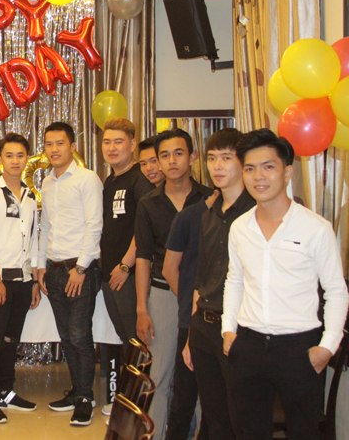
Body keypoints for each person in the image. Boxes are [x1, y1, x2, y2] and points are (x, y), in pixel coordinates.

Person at [222, 129, 348, 439]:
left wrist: (327, 346)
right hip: (248, 343)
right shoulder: (240, 227)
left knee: (304, 431)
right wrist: (228, 330)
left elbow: (336, 290)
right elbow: (234, 280)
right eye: (250, 169)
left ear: (287, 172)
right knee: (247, 431)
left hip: (299, 347)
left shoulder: (315, 228)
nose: (258, 177)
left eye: (268, 167)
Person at [175, 129, 255, 439]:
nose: (217, 166)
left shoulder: (255, 213)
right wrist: (190, 336)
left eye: (226, 158)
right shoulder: (208, 213)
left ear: (242, 162)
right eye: (211, 159)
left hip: (240, 328)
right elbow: (201, 278)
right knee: (214, 417)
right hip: (204, 326)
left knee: (242, 419)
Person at [134, 128, 211, 438]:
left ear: (192, 157)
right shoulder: (148, 203)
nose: (171, 161)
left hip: (204, 298)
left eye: (178, 153)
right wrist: (142, 308)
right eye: (164, 156)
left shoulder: (210, 199)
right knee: (161, 373)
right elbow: (143, 256)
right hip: (163, 296)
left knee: (203, 373)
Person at [37, 121, 103, 427]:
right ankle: (77, 391)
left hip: (80, 270)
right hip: (54, 270)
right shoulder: (47, 182)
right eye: (49, 144)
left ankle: (86, 398)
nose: (54, 149)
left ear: (72, 146)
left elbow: (94, 224)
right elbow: (45, 226)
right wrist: (41, 266)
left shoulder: (87, 179)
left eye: (60, 143)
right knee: (66, 336)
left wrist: (82, 267)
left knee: (79, 334)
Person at [0, 133, 40, 424]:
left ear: (27, 159)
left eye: (20, 155)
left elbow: (34, 238)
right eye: (9, 155)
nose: (15, 161)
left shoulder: (30, 195)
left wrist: (34, 280)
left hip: (23, 280)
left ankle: (6, 390)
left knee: (11, 339)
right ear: (0, 159)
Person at [99, 118, 154, 416]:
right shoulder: (110, 181)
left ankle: (138, 405)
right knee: (125, 339)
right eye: (107, 142)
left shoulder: (139, 180)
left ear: (132, 144)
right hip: (110, 274)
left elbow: (143, 229)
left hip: (128, 275)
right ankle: (129, 401)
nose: (112, 147)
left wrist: (125, 265)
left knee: (137, 341)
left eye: (118, 141)